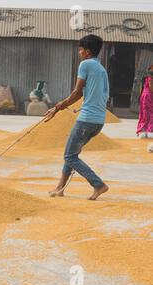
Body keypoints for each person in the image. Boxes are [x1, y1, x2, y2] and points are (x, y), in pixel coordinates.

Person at [46, 35, 110, 201]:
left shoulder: (85, 64)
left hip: (87, 120)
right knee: (72, 153)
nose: (79, 52)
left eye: (81, 49)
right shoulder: (101, 69)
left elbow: (77, 92)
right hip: (98, 120)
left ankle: (98, 184)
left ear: (87, 51)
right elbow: (101, 95)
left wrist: (58, 107)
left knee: (69, 156)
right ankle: (60, 188)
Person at [137, 65, 153, 139]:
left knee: (144, 114)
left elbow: (141, 88)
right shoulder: (150, 78)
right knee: (149, 114)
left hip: (144, 96)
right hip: (148, 97)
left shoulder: (145, 77)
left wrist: (140, 96)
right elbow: (151, 88)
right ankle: (147, 131)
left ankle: (143, 131)